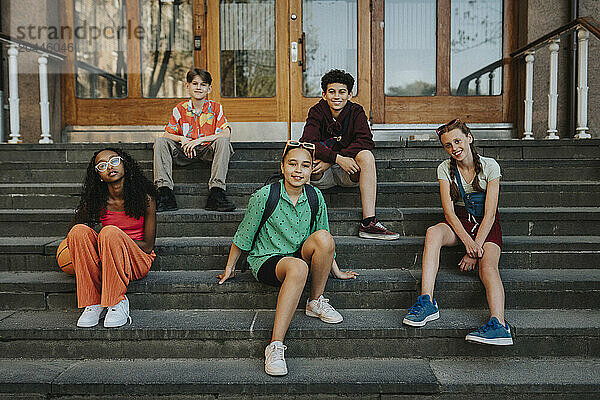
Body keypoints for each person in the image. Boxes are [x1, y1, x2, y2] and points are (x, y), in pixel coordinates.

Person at [217, 141, 358, 376]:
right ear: (282, 167)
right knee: (298, 267)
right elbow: (244, 234)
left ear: (311, 169)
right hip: (268, 259)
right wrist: (230, 267)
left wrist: (337, 270)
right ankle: (275, 345)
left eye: (304, 165)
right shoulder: (265, 195)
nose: (297, 170)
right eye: (292, 164)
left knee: (323, 238)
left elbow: (325, 240)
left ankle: (315, 301)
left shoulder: (315, 197)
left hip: (298, 255)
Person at [402, 119, 513, 346]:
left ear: (469, 138)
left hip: (486, 225)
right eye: (448, 145)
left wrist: (474, 251)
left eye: (457, 141)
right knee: (433, 232)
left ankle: (499, 324)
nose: (454, 148)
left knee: (488, 266)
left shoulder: (491, 166)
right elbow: (450, 213)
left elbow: (490, 215)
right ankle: (427, 301)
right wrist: (467, 243)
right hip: (460, 221)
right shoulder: (445, 169)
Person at [300, 69, 399, 240]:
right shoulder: (316, 111)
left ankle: (369, 223)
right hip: (320, 174)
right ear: (324, 94)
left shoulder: (356, 111)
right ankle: (303, 222)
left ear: (350, 94)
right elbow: (307, 142)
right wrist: (336, 159)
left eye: (342, 92)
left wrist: (334, 160)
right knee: (304, 154)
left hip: (348, 173)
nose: (336, 96)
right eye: (331, 91)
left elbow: (366, 140)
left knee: (366, 155)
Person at [67, 148, 157, 328]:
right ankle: (92, 303)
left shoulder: (145, 198)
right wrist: (97, 250)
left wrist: (115, 243)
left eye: (114, 161)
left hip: (137, 260)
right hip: (107, 260)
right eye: (102, 165)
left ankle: (117, 301)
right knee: (78, 231)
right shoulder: (98, 201)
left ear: (125, 165)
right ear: (99, 175)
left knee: (109, 232)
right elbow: (74, 230)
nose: (109, 167)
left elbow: (147, 246)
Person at [154, 68, 235, 213]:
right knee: (160, 142)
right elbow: (167, 134)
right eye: (195, 83)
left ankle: (217, 193)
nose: (199, 87)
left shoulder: (216, 108)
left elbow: (226, 133)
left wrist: (200, 140)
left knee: (223, 142)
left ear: (209, 88)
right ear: (187, 86)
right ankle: (165, 193)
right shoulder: (180, 109)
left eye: (203, 84)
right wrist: (181, 138)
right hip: (184, 152)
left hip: (206, 152)